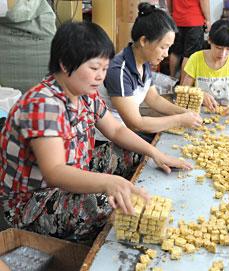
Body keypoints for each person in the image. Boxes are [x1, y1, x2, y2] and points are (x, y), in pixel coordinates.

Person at [0, 21, 191, 242]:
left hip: (76, 169)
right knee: (111, 209)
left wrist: (156, 153)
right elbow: (55, 172)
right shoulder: (44, 105)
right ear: (64, 64)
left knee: (133, 150)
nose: (101, 76)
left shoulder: (84, 93)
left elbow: (117, 130)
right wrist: (107, 183)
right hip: (35, 201)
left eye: (104, 68)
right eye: (94, 68)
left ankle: (129, 194)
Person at [93, 3, 202, 178]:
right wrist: (179, 120)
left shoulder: (143, 63)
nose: (166, 54)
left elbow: (153, 99)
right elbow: (135, 123)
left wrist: (185, 112)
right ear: (144, 41)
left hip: (127, 132)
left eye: (169, 48)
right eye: (163, 47)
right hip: (107, 140)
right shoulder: (119, 70)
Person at [167, 0, 211, 82]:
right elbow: (204, 1)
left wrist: (171, 13)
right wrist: (208, 20)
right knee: (190, 55)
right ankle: (183, 85)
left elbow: (169, 2)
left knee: (175, 52)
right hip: (194, 21)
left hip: (177, 20)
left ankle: (171, 80)